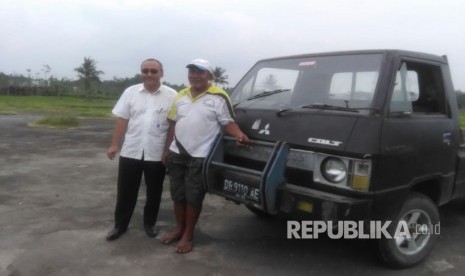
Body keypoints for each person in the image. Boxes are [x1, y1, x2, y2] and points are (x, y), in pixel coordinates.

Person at [160, 58, 249, 253]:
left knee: (193, 196)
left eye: (200, 72)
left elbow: (227, 123)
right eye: (191, 72)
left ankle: (188, 234)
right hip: (177, 153)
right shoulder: (181, 95)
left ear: (209, 76)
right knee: (177, 194)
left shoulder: (219, 96)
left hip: (200, 155)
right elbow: (173, 124)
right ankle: (178, 228)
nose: (195, 75)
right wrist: (167, 150)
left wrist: (239, 135)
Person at [106, 58, 177, 241]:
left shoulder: (171, 95)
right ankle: (120, 226)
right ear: (141, 73)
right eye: (145, 70)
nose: (149, 74)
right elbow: (122, 119)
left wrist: (168, 150)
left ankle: (149, 223)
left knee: (154, 191)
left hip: (156, 151)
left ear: (161, 73)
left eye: (154, 71)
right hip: (131, 150)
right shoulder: (130, 92)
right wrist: (115, 144)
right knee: (125, 191)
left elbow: (173, 125)